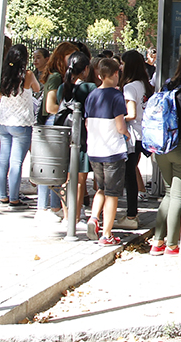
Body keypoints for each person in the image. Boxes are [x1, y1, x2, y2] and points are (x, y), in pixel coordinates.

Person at [149, 48, 181, 257]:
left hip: (161, 146)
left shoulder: (168, 84)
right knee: (177, 194)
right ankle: (172, 244)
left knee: (169, 193)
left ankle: (157, 241)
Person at [83, 58, 129, 246]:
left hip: (94, 149)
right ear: (116, 73)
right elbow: (120, 126)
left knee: (100, 188)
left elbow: (87, 123)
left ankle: (94, 217)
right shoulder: (116, 96)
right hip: (112, 151)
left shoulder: (92, 95)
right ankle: (106, 234)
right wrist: (126, 134)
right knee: (112, 193)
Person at [46, 51, 95, 223]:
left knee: (67, 179)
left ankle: (67, 215)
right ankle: (76, 216)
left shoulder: (62, 88)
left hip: (65, 137)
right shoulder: (90, 89)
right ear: (86, 69)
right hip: (82, 137)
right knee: (80, 179)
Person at [0, 45, 39, 208]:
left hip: (3, 121)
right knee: (16, 162)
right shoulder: (27, 75)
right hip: (21, 122)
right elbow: (37, 88)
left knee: (3, 160)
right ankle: (13, 197)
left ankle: (1, 195)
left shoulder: (3, 75)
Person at [38, 42, 79, 213]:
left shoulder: (58, 75)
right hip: (53, 123)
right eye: (70, 56)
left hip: (54, 123)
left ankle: (52, 206)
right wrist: (69, 110)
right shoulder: (56, 77)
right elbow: (50, 106)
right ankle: (48, 207)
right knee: (51, 168)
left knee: (54, 168)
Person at [118, 49, 153, 229]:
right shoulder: (145, 85)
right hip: (144, 133)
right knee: (131, 172)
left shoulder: (129, 87)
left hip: (133, 135)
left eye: (123, 64)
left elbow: (131, 114)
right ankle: (132, 213)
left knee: (129, 176)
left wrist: (116, 118)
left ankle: (131, 214)